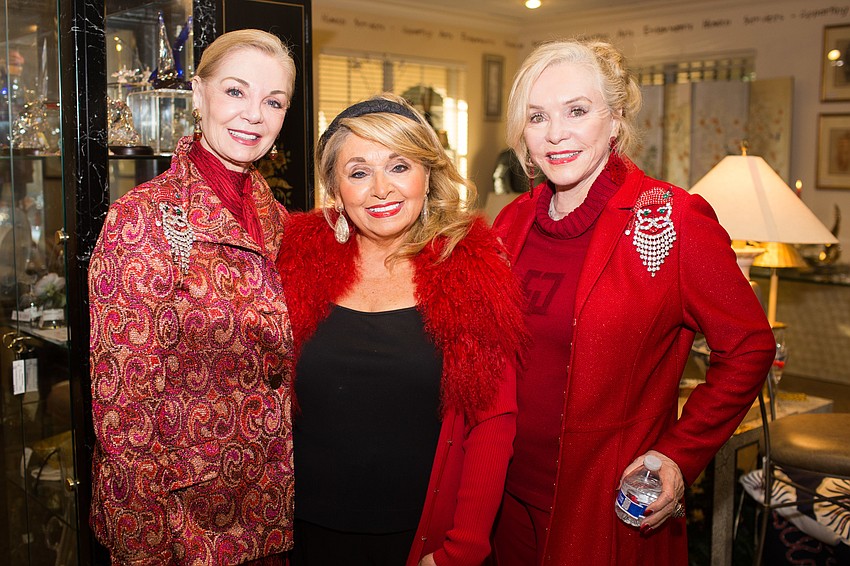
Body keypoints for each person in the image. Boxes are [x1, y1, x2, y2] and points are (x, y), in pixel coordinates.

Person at [489, 38, 776, 565]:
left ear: (615, 119)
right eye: (537, 116)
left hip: (604, 508)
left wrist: (678, 454)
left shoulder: (671, 219)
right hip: (502, 502)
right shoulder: (511, 222)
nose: (555, 133)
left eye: (577, 111)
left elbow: (750, 347)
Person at [276, 94, 526, 566]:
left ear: (427, 174)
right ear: (335, 188)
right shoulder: (294, 262)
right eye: (358, 172)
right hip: (302, 532)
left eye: (398, 166)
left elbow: (493, 422)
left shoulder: (471, 270)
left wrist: (462, 549)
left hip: (421, 539)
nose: (380, 189)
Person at [89, 29, 296, 564]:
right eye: (235, 91)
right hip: (187, 527)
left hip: (273, 512)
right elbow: (123, 410)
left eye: (273, 101)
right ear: (199, 94)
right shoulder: (142, 218)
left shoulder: (281, 222)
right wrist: (145, 547)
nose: (254, 114)